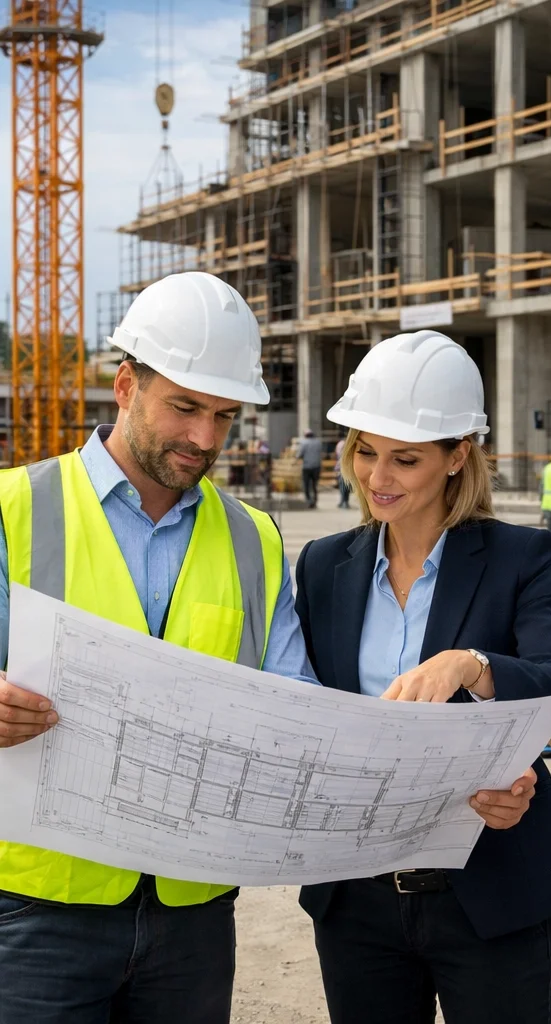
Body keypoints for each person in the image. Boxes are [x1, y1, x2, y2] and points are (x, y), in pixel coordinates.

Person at [0, 271, 320, 1024]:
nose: (205, 439)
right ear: (124, 385)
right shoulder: (15, 507)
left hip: (192, 911)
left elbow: (292, 706)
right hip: (41, 906)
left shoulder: (255, 541)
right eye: (184, 407)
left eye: (224, 415)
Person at [294, 329, 551, 1024]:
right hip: (356, 900)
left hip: (490, 891)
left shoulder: (519, 556)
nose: (377, 478)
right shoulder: (322, 566)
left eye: (405, 458)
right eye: (365, 451)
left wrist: (475, 667)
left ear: (458, 455)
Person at [297, 428, 322, 508]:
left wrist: (297, 457)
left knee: (306, 484)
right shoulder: (318, 442)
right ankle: (315, 500)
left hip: (307, 467)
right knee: (314, 485)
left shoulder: (304, 443)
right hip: (317, 467)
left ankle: (309, 500)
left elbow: (300, 454)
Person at [334, 431, 351, 508]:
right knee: (346, 486)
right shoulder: (347, 443)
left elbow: (338, 456)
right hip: (348, 467)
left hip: (341, 467)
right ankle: (345, 501)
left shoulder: (340, 444)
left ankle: (343, 502)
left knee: (342, 486)